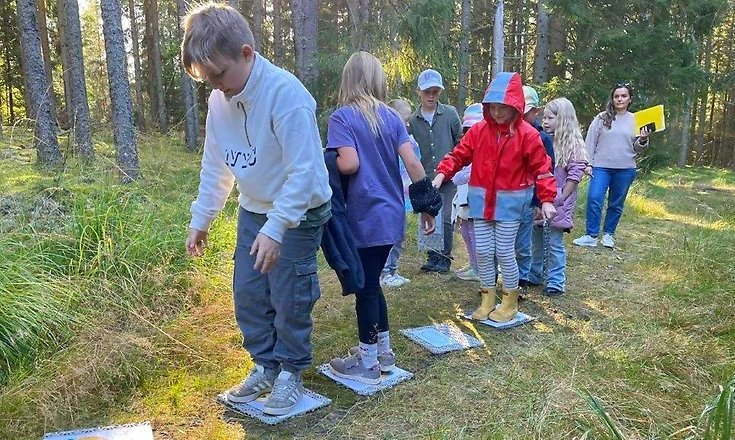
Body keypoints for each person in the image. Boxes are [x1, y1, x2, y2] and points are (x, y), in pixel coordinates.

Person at [181, 3, 332, 416]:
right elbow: (216, 164)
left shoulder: (288, 96)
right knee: (248, 292)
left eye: (220, 75)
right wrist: (202, 218)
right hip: (254, 208)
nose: (216, 87)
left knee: (289, 292)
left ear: (246, 53)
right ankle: (265, 365)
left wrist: (278, 226)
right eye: (208, 79)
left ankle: (291, 372)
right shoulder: (219, 99)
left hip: (299, 209)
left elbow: (302, 174)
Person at [326, 52, 439, 384]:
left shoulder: (342, 118)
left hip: (363, 217)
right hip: (390, 215)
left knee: (365, 289)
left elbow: (349, 164)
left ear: (348, 80)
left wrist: (325, 157)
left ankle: (368, 361)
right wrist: (426, 206)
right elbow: (414, 164)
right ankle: (384, 353)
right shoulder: (391, 117)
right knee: (373, 284)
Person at [433, 72, 557, 323]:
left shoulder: (528, 134)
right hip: (481, 203)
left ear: (516, 106)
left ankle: (509, 301)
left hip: (510, 204)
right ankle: (487, 298)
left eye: (503, 107)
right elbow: (458, 155)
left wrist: (546, 200)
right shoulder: (478, 131)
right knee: (483, 252)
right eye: (493, 107)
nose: (498, 113)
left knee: (504, 251)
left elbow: (542, 170)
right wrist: (441, 175)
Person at [573, 82, 650, 249]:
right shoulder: (602, 118)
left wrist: (643, 139)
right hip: (601, 166)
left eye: (623, 96)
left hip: (625, 168)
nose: (620, 99)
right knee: (594, 197)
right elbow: (590, 142)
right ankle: (591, 235)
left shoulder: (637, 119)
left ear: (630, 99)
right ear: (612, 98)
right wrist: (587, 164)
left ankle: (608, 234)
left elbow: (638, 149)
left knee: (616, 202)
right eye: (616, 96)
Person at [529, 97, 589, 296]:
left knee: (554, 243)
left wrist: (561, 198)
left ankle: (556, 281)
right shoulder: (544, 140)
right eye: (544, 118)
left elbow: (575, 174)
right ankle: (535, 274)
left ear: (563, 119)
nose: (545, 122)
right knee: (535, 240)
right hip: (540, 200)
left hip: (558, 204)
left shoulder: (573, 145)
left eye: (551, 118)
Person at [409, 69, 462, 274]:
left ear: (440, 92)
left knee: (446, 216)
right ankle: (432, 255)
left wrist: (454, 164)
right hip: (423, 177)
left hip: (447, 176)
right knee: (428, 213)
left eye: (435, 91)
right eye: (427, 92)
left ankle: (445, 257)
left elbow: (460, 141)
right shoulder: (413, 120)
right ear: (419, 93)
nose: (431, 96)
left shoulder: (449, 114)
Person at [516, 86, 555, 295]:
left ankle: (523, 278)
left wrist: (542, 202)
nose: (521, 116)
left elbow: (546, 172)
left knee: (524, 243)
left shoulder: (542, 138)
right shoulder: (509, 133)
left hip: (531, 198)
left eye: (526, 112)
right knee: (504, 243)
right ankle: (502, 278)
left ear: (535, 112)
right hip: (509, 197)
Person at [380, 98, 420, 288]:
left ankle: (393, 270)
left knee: (399, 235)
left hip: (402, 197)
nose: (405, 124)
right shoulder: (386, 141)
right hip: (392, 197)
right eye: (402, 119)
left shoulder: (407, 140)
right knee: (392, 236)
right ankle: (385, 273)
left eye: (406, 120)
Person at [452, 103, 483, 282]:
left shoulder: (484, 150)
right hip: (464, 198)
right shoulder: (465, 149)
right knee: (465, 230)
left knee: (474, 232)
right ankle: (473, 263)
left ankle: (479, 268)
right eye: (468, 129)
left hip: (476, 198)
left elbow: (465, 174)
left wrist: (458, 175)